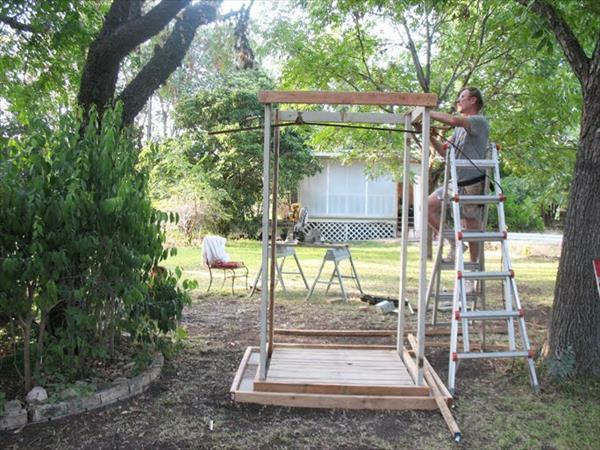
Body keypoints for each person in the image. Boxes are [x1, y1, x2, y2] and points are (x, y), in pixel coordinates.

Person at [427, 87, 489, 265]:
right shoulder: (459, 131)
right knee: (428, 207)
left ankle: (473, 270)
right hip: (456, 183)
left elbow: (453, 120)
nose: (458, 101)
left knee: (470, 225)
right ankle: (454, 242)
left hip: (472, 184)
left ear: (473, 101)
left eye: (462, 97)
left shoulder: (479, 121)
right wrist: (431, 136)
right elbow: (444, 152)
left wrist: (428, 112)